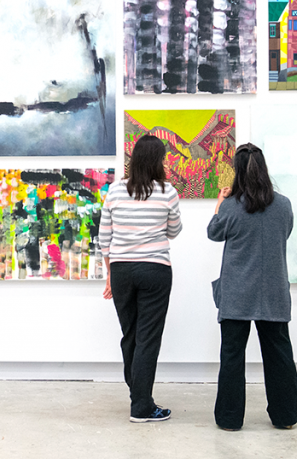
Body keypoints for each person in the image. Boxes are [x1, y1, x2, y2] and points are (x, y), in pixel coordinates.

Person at [207, 143, 297, 431]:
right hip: (273, 291)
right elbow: (285, 231)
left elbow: (213, 233)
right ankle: (286, 416)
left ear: (236, 171)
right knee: (279, 356)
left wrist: (219, 204)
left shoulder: (232, 207)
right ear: (264, 169)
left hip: (236, 293)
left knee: (232, 357)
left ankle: (230, 418)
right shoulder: (283, 205)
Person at [100, 135, 182, 423]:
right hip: (154, 269)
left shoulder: (114, 190)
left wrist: (110, 275)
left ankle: (139, 395)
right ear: (157, 161)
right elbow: (174, 231)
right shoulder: (167, 191)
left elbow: (104, 240)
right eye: (163, 158)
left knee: (131, 336)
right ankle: (141, 406)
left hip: (121, 270)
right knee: (147, 338)